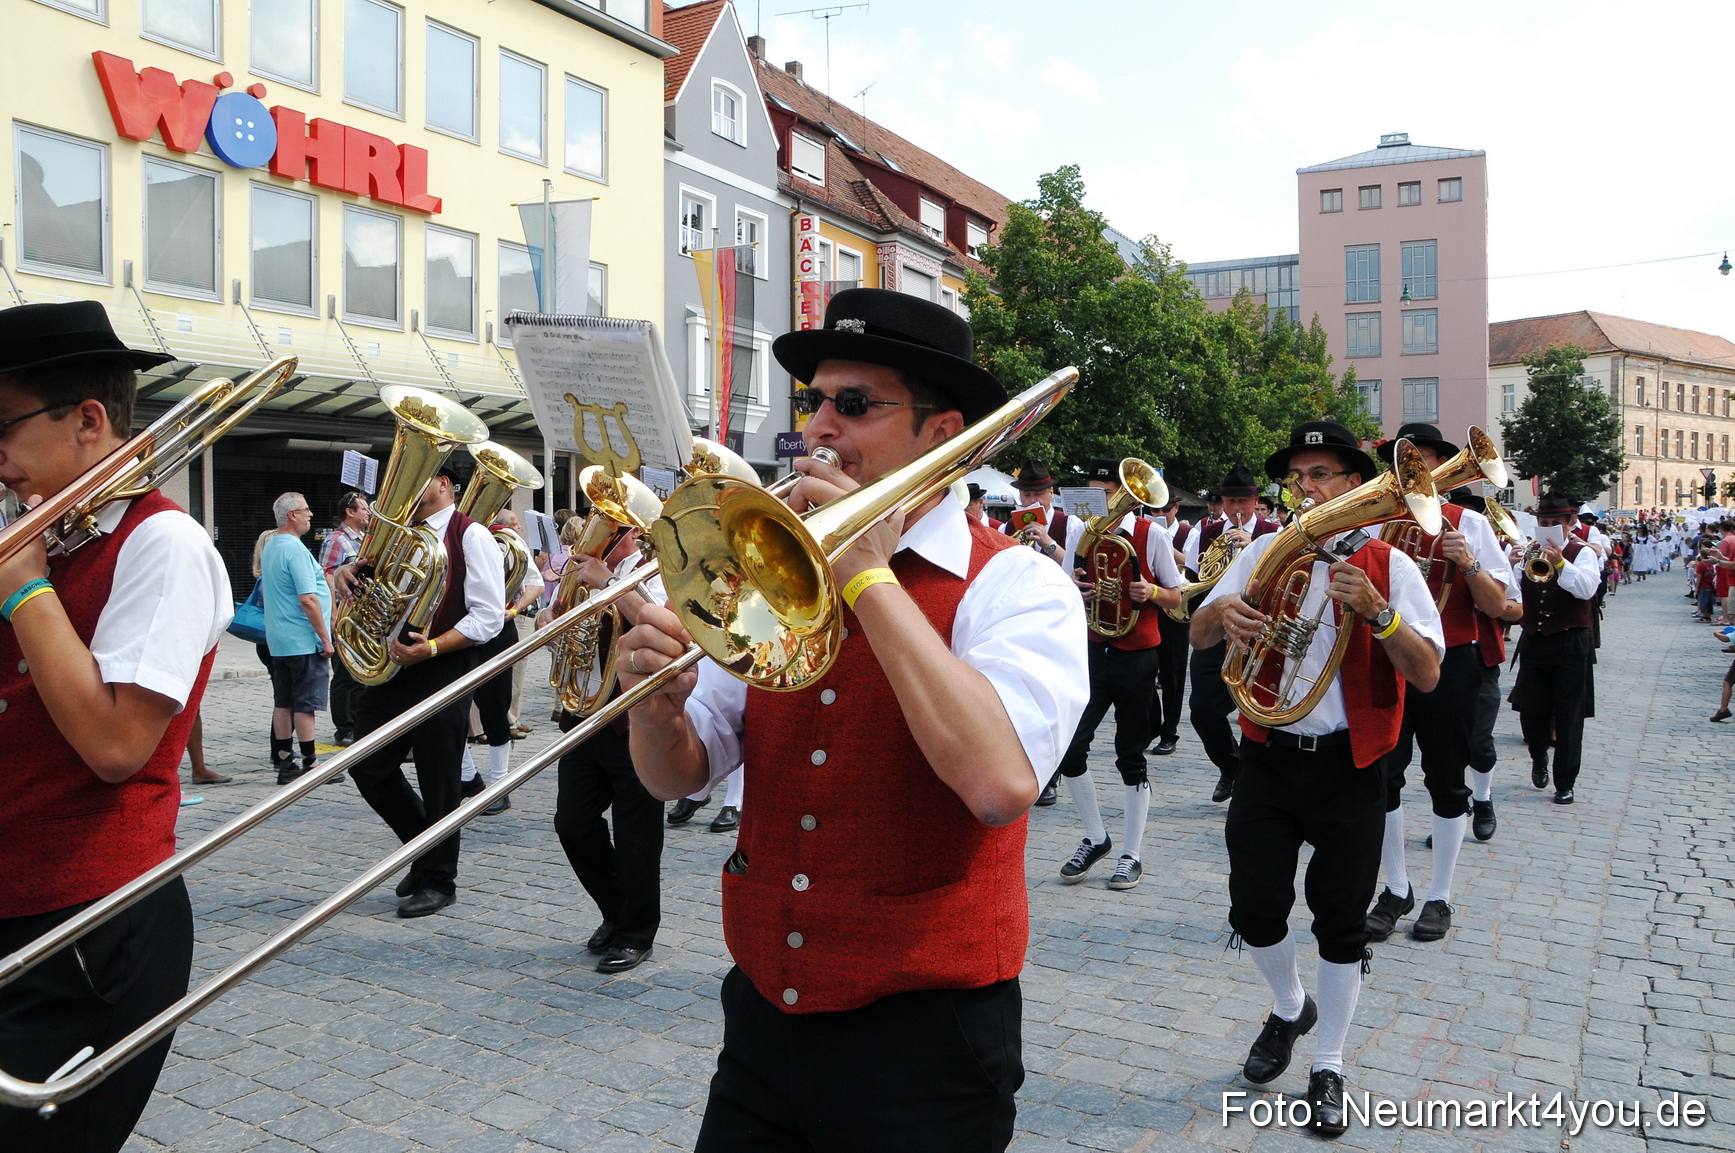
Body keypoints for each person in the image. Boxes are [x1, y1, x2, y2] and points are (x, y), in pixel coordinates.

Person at [617, 288, 1088, 1153]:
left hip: (926, 1040)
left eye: (855, 404)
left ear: (940, 434)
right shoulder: (767, 568)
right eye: (813, 402)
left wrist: (870, 576)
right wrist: (655, 713)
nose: (819, 427)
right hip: (763, 1015)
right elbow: (679, 776)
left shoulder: (1020, 585)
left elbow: (996, 784)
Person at [0, 300, 232, 1153]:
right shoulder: (41, 532)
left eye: (4, 428)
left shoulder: (162, 544)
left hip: (89, 926)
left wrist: (24, 590)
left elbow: (115, 746)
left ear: (88, 420)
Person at [1191, 421, 1444, 1139]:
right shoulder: (1270, 551)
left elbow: (1424, 671)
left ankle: (1328, 1060)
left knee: (1339, 921)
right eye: (1298, 476)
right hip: (1269, 755)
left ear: (1357, 484)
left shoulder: (1390, 565)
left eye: (1322, 475)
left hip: (1350, 766)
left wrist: (1378, 611)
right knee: (1254, 908)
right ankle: (1288, 1003)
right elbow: (1202, 631)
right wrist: (1224, 613)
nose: (1306, 488)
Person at [1361, 428, 1521, 948]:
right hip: (1388, 657)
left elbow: (1501, 606)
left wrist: (1469, 563)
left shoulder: (1469, 522)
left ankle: (1441, 894)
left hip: (1452, 661)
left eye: (1422, 462)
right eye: (1402, 464)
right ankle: (1396, 887)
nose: (1411, 474)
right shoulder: (1375, 522)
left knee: (1447, 778)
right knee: (1383, 777)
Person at [330, 459, 505, 918]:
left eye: (418, 475)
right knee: (367, 764)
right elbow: (370, 582)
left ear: (443, 484)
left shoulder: (472, 535)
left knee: (439, 775)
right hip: (393, 665)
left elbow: (487, 617)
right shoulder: (396, 530)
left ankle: (440, 881)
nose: (400, 485)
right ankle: (424, 851)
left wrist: (429, 648)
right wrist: (345, 574)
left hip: (443, 664)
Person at [546, 510, 668, 973]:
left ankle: (636, 932)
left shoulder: (652, 573)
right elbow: (556, 624)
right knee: (572, 824)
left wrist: (608, 586)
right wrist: (550, 620)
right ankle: (617, 910)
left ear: (632, 534)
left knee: (637, 835)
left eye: (609, 529)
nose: (595, 537)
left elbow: (659, 626)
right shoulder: (582, 575)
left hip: (635, 722)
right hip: (583, 715)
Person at [1054, 459, 1183, 890]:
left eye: (1104, 494)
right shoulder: (1081, 534)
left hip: (1136, 656)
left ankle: (1133, 852)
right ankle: (1095, 837)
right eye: (1091, 494)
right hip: (1092, 650)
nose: (1099, 503)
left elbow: (1177, 596)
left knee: (1130, 754)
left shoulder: (1152, 535)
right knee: (1070, 749)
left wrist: (1153, 592)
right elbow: (1066, 585)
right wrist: (1072, 581)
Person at [1185, 465, 1279, 803]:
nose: (1236, 508)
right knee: (1203, 711)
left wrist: (1253, 547)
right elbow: (1192, 580)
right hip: (1215, 634)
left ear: (1255, 501)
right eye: (1230, 501)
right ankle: (1231, 767)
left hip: (1255, 635)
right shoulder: (1204, 531)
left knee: (1256, 712)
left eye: (1243, 500)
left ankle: (1255, 781)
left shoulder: (1274, 532)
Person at [1512, 493, 1602, 805]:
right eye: (1542, 523)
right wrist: (1510, 564)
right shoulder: (1529, 552)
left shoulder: (1583, 553)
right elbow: (1513, 592)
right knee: (1533, 711)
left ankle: (1565, 782)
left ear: (1569, 523)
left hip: (1570, 642)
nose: (1547, 528)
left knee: (1569, 714)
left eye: (1553, 523)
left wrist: (1561, 563)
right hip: (1536, 639)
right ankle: (1539, 756)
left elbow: (1587, 589)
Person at [461, 510, 545, 815]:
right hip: (458, 630)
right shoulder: (454, 538)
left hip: (497, 631)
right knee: (451, 710)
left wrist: (514, 609)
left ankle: (499, 785)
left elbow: (535, 584)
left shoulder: (508, 542)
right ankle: (466, 777)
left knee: (495, 707)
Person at [261, 492, 334, 785]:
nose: (310, 514)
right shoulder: (296, 550)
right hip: (303, 640)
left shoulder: (271, 546)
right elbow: (308, 600)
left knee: (283, 701)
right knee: (305, 704)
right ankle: (310, 764)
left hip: (279, 640)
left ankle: (285, 763)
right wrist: (325, 638)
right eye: (305, 510)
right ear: (292, 515)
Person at [320, 491, 370, 745]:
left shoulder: (365, 539)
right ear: (349, 512)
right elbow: (327, 576)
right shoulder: (336, 540)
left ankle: (359, 722)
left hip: (364, 616)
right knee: (344, 675)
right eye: (363, 508)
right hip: (344, 616)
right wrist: (333, 615)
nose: (368, 512)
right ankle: (344, 728)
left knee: (361, 673)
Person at [1147, 491, 1191, 757]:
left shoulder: (1190, 533)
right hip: (1150, 607)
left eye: (1165, 510)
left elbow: (1197, 565)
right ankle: (1151, 724)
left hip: (1177, 609)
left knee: (1173, 675)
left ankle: (1169, 731)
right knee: (1144, 671)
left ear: (1175, 509)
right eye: (1154, 511)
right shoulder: (1146, 530)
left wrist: (1168, 550)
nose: (1160, 515)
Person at [1002, 458, 1072, 567]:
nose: (1033, 500)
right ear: (1020, 495)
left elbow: (1075, 567)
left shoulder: (1070, 524)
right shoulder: (1006, 527)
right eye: (1027, 495)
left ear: (1051, 493)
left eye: (1039, 494)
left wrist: (1048, 544)